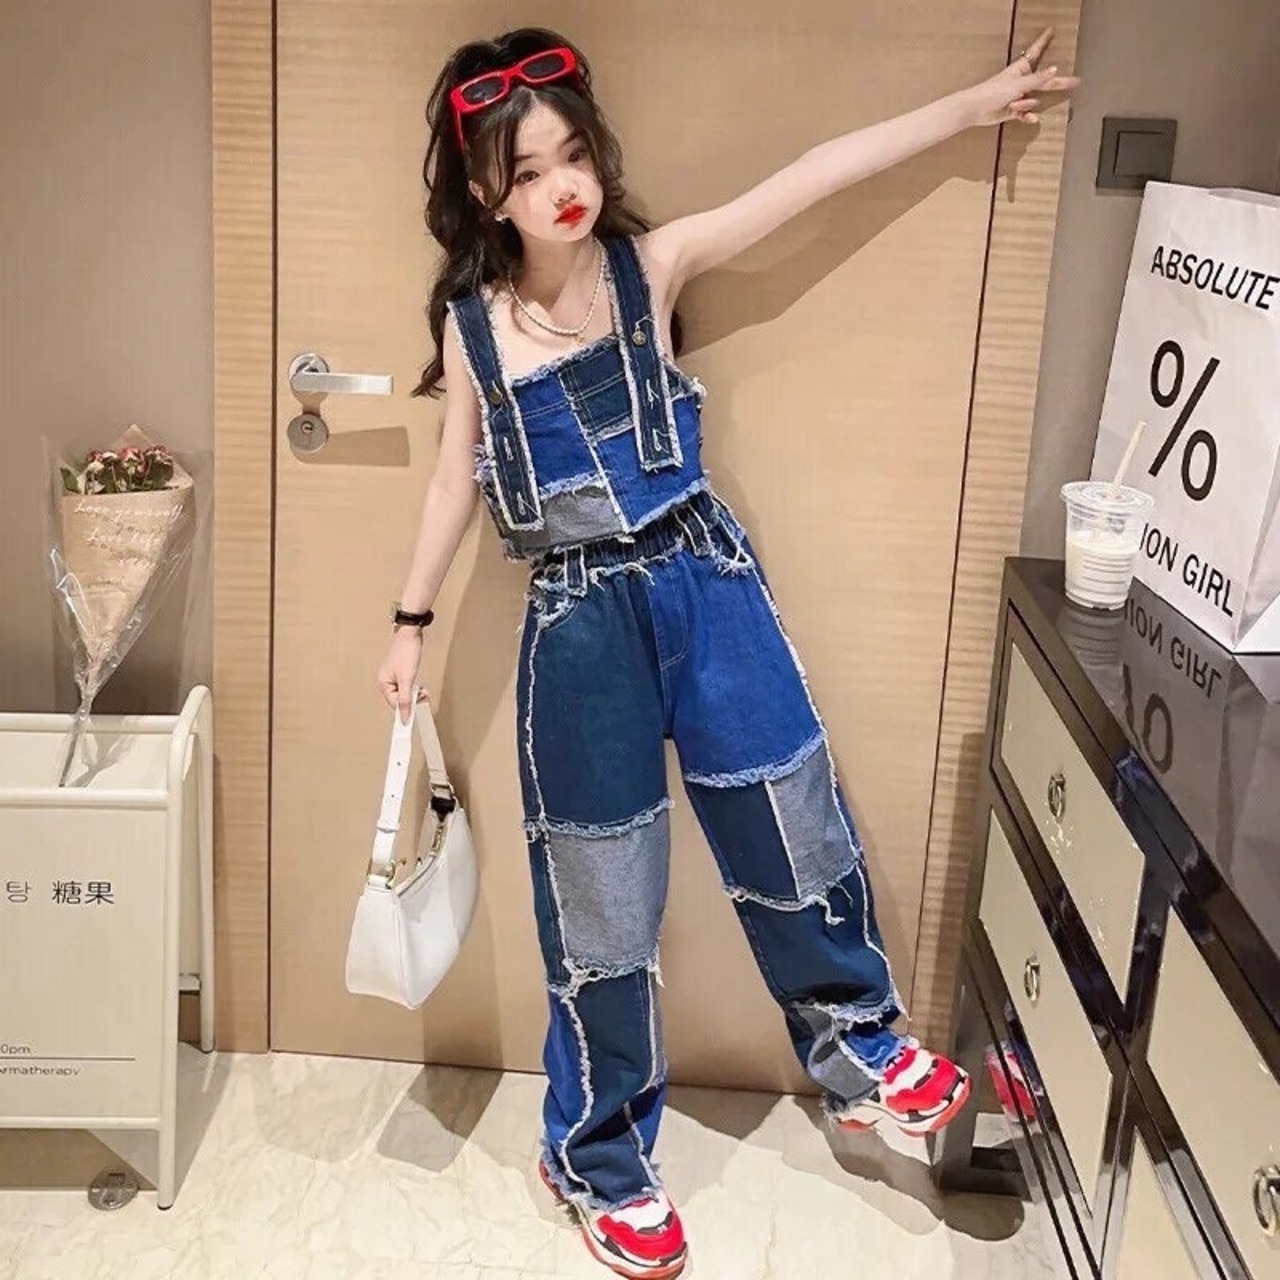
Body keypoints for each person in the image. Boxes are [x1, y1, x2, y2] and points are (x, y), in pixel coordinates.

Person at [377, 25, 1078, 1280]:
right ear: (484, 193)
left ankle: (859, 1045)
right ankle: (597, 1155)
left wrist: (971, 103)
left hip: (703, 578)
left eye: (573, 154)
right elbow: (452, 484)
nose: (562, 186)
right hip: (576, 621)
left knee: (785, 805)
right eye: (527, 172)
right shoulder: (471, 329)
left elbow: (808, 177)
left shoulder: (648, 267)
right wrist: (409, 621)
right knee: (600, 897)